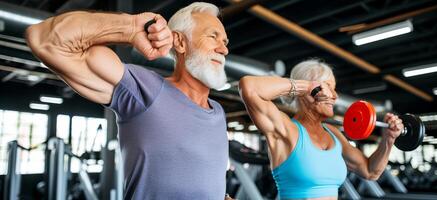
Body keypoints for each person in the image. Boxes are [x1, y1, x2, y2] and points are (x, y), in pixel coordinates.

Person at [26, 2, 231, 199]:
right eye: (213, 37)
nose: (224, 50)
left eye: (225, 42)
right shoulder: (145, 89)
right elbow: (43, 39)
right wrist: (132, 28)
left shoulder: (219, 113)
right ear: (179, 42)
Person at [238, 59, 404, 200]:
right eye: (329, 88)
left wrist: (388, 140)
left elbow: (370, 171)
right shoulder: (286, 129)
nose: (335, 96)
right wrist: (307, 86)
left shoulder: (333, 133)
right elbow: (249, 88)